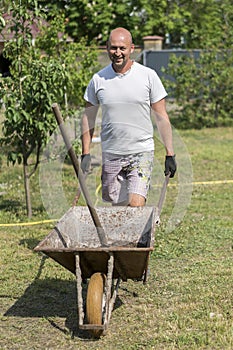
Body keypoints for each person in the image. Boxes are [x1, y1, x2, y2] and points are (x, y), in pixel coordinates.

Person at [81, 27, 176, 207]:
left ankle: (135, 234)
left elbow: (161, 116)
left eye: (122, 48)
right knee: (118, 208)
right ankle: (124, 236)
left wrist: (170, 153)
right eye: (113, 48)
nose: (118, 53)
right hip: (111, 152)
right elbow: (88, 118)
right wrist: (85, 152)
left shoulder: (148, 76)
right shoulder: (98, 79)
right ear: (107, 48)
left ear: (132, 48)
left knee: (135, 205)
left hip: (141, 151)